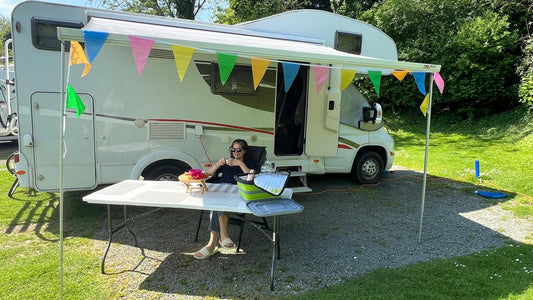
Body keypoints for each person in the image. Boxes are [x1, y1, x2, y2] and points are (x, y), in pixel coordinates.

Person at [193, 139, 259, 259]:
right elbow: (208, 175)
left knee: (216, 205)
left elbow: (250, 178)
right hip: (222, 190)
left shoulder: (250, 163)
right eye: (233, 149)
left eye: (238, 150)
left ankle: (212, 244)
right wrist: (218, 164)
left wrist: (240, 163)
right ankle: (223, 236)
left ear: (244, 151)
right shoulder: (227, 164)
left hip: (237, 192)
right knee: (217, 203)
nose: (235, 152)